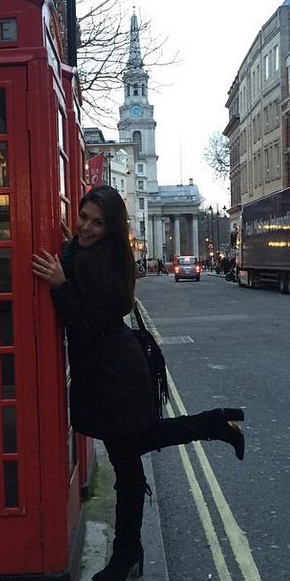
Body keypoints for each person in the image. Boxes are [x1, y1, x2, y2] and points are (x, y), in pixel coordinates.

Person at [31, 185, 245, 581]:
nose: (87, 227)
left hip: (114, 375)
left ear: (112, 227)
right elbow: (78, 262)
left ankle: (126, 555)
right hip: (113, 369)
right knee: (132, 456)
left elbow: (83, 328)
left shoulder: (101, 262)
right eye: (83, 217)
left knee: (130, 458)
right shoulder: (93, 253)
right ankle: (215, 424)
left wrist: (60, 283)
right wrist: (69, 247)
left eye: (98, 222)